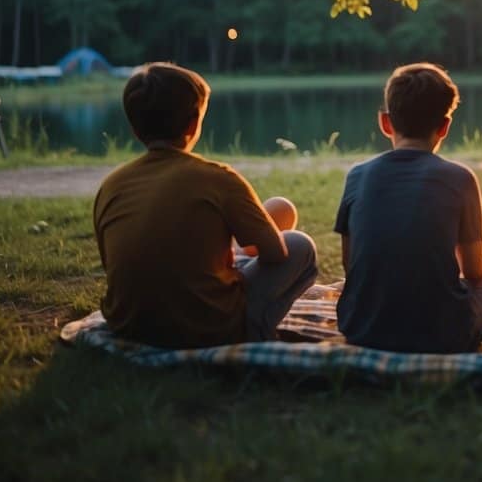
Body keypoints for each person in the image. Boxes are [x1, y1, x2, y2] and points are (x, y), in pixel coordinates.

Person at [93, 62, 318, 348]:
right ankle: (251, 333)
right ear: (193, 124)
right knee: (300, 245)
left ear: (136, 130)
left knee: (276, 210)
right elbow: (276, 253)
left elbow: (113, 264)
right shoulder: (217, 177)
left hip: (129, 326)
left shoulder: (111, 184)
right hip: (208, 330)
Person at [335, 62, 482, 352]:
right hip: (442, 336)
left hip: (361, 328)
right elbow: (474, 272)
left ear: (386, 123)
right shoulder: (460, 177)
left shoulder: (357, 175)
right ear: (444, 127)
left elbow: (350, 264)